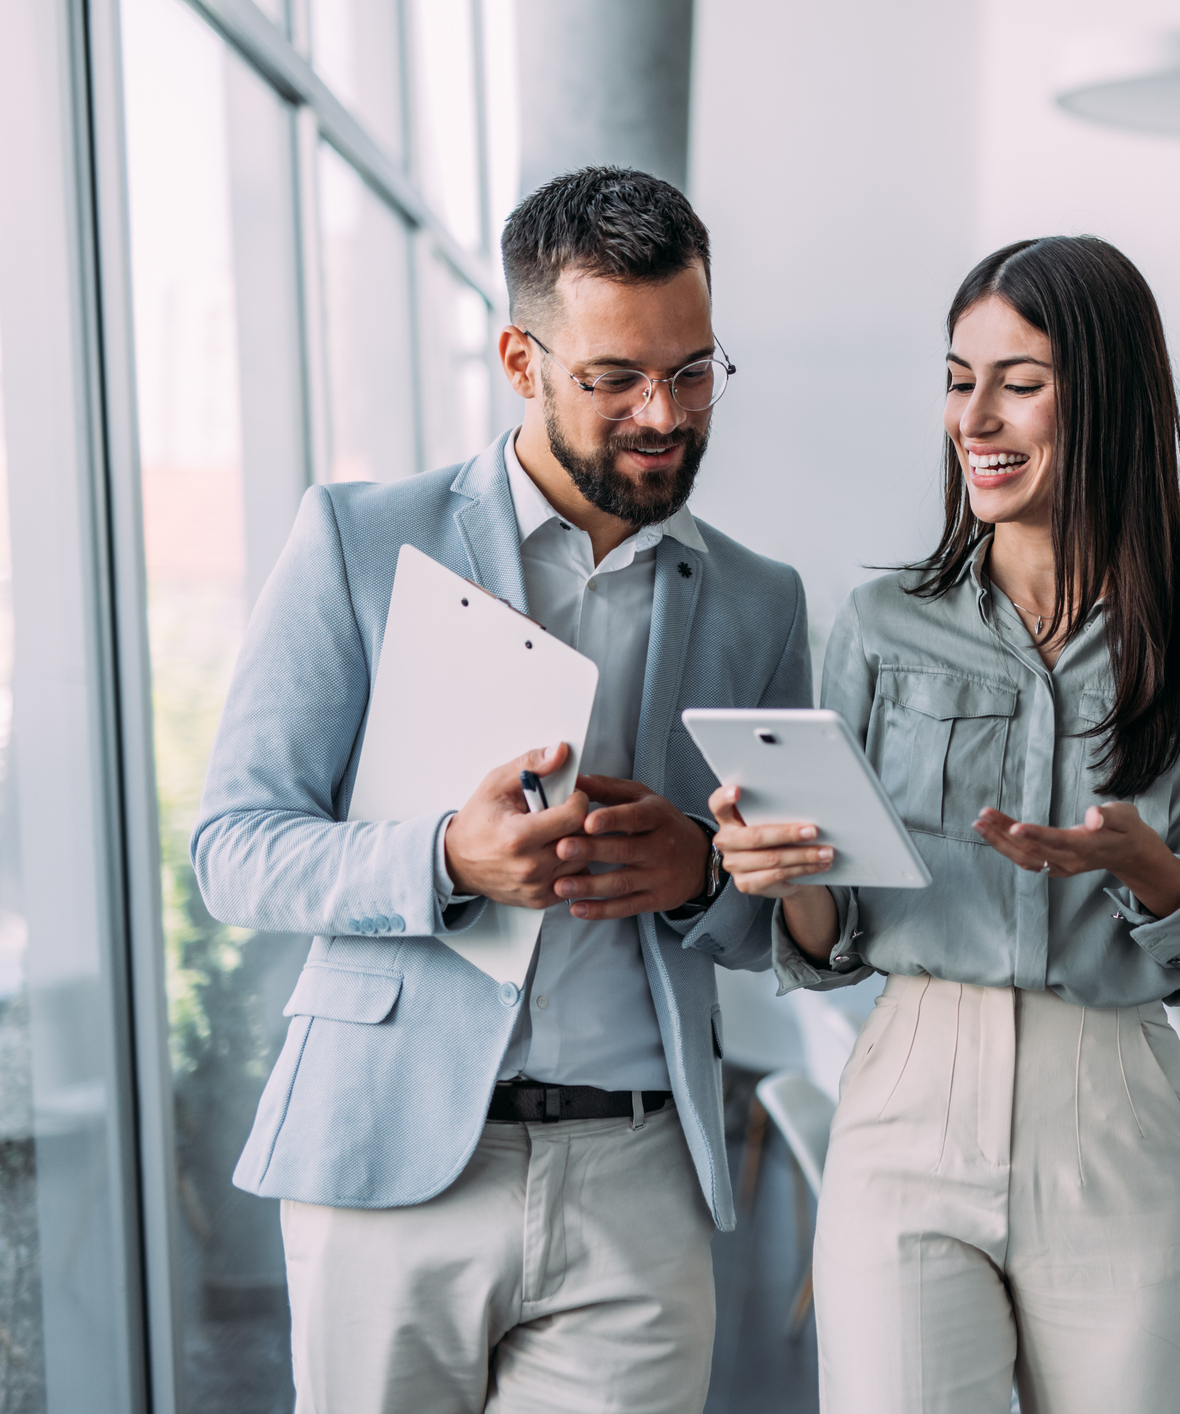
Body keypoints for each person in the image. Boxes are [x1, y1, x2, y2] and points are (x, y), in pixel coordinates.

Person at [191, 167, 810, 1413]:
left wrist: (700, 873)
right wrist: (442, 858)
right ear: (521, 361)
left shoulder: (759, 599)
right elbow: (234, 849)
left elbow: (783, 915)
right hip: (392, 1160)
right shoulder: (361, 540)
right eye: (615, 378)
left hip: (639, 1179)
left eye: (693, 372)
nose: (664, 413)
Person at [710, 236, 1180, 1414]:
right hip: (906, 1094)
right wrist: (783, 873)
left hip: (1113, 1109)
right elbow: (841, 935)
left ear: (1112, 398)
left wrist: (1157, 877)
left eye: (1018, 382)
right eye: (955, 377)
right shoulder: (881, 623)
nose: (972, 415)